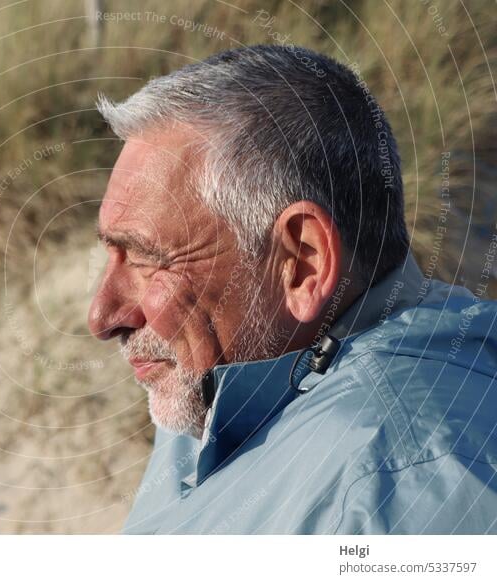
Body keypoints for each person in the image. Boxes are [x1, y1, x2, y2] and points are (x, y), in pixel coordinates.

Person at [87, 45, 497, 534]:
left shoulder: (403, 485)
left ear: (302, 263)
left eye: (146, 258)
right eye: (111, 253)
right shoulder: (223, 379)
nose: (102, 315)